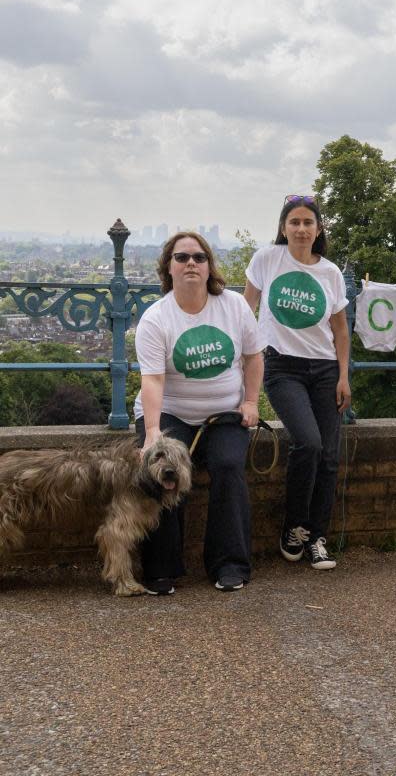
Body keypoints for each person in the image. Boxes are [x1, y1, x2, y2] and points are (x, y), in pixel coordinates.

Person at [134, 231, 264, 593]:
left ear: (209, 267)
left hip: (222, 414)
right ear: (168, 268)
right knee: (163, 470)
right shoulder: (156, 319)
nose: (191, 263)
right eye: (181, 258)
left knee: (227, 466)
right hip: (171, 412)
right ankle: (161, 568)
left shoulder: (234, 306)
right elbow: (154, 380)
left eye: (199, 257)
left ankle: (230, 564)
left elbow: (254, 357)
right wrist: (153, 432)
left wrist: (251, 401)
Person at [243, 195, 350, 569]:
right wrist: (243, 369)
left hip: (324, 369)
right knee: (308, 443)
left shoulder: (331, 273)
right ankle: (294, 526)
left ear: (318, 229)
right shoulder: (267, 259)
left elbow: (340, 330)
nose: (302, 229)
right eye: (295, 222)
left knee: (331, 457)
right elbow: (247, 312)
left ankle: (317, 536)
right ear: (283, 228)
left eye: (308, 222)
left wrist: (344, 376)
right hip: (281, 366)